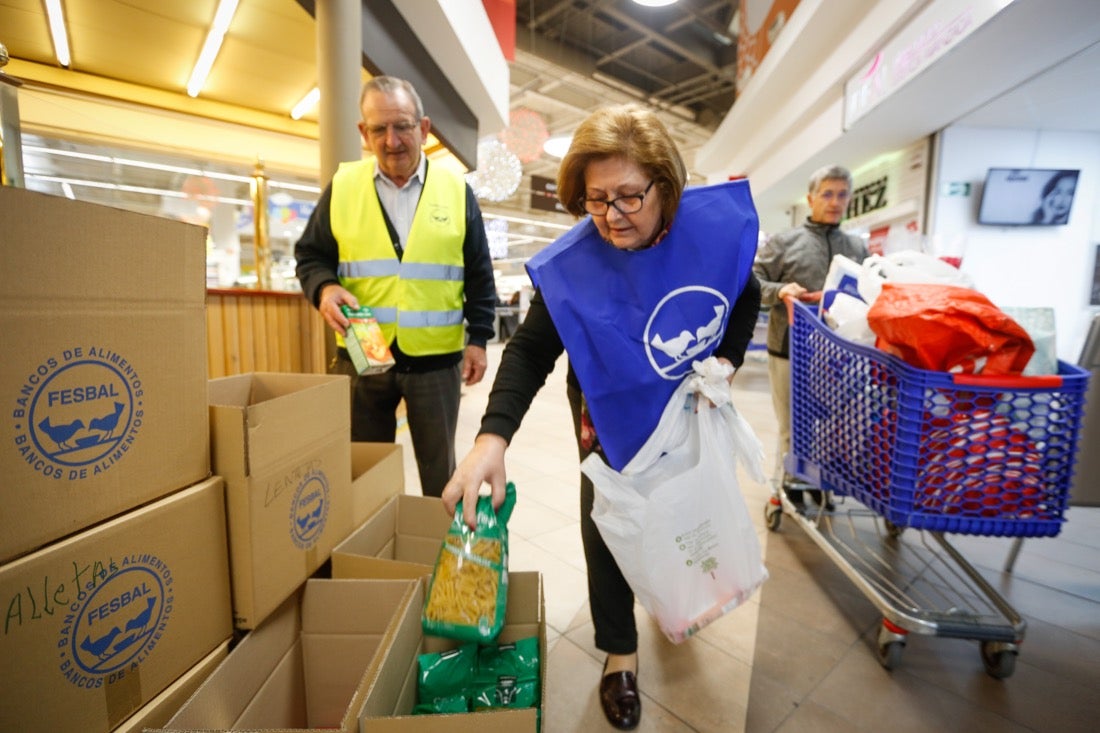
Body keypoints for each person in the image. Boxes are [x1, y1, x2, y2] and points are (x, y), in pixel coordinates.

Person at [440, 104, 761, 731]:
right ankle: (620, 653)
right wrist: (491, 438)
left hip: (688, 414)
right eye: (596, 200)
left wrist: (727, 359)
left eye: (629, 196)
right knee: (609, 529)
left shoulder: (711, 236)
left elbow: (744, 292)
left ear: (665, 186)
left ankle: (677, 600)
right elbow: (530, 351)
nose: (612, 217)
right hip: (607, 419)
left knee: (683, 513)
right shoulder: (576, 267)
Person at [295, 76, 497, 498]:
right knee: (363, 473)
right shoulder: (343, 187)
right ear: (363, 132)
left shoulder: (456, 191)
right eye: (379, 129)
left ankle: (432, 537)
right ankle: (374, 539)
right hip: (361, 356)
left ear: (423, 128)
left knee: (440, 475)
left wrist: (479, 338)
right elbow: (311, 255)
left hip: (436, 362)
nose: (391, 141)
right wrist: (325, 289)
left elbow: (479, 273)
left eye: (402, 126)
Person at [752, 164, 870, 510]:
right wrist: (780, 291)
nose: (835, 202)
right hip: (790, 349)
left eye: (842, 194)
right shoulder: (785, 243)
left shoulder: (857, 249)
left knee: (831, 424)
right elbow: (752, 282)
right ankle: (789, 485)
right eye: (827, 194)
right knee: (792, 423)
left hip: (841, 355)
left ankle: (819, 483)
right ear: (810, 199)